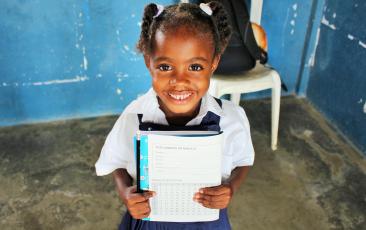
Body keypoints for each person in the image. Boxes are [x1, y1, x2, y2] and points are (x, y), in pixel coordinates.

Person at [95, 2, 254, 229]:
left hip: (207, 222)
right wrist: (125, 193)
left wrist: (231, 188)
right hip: (150, 222)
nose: (180, 81)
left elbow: (244, 160)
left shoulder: (231, 118)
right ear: (149, 63)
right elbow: (116, 162)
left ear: (214, 63)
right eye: (165, 67)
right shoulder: (133, 116)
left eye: (195, 67)